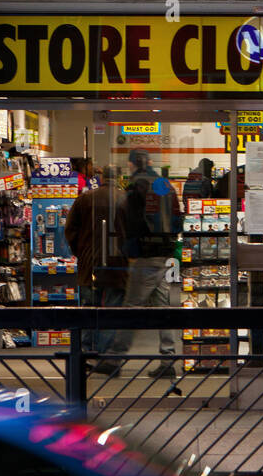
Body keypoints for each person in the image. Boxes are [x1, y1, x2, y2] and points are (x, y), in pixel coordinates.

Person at [122, 148, 182, 377]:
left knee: (130, 308)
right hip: (166, 252)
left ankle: (113, 358)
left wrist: (130, 250)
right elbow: (178, 217)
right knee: (163, 308)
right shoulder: (165, 184)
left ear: (132, 164)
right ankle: (167, 360)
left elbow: (132, 222)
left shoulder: (137, 185)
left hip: (147, 254)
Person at [64, 179, 130, 375]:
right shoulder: (126, 200)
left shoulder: (84, 199)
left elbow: (70, 231)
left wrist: (81, 252)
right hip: (117, 265)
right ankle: (108, 359)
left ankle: (85, 354)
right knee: (112, 311)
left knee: (88, 309)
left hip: (89, 265)